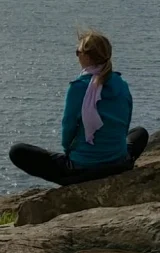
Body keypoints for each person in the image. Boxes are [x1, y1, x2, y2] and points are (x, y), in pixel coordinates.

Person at [10, 30, 149, 186]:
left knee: (17, 151)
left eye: (78, 52)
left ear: (87, 56)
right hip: (119, 161)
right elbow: (125, 122)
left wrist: (69, 152)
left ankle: (74, 177)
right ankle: (114, 165)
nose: (77, 56)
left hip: (82, 166)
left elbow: (68, 128)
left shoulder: (78, 87)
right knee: (140, 133)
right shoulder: (121, 84)